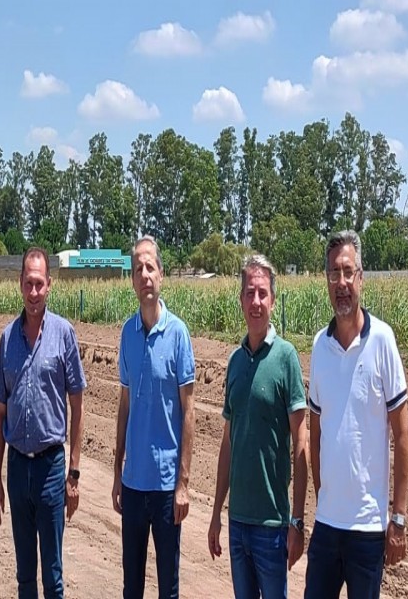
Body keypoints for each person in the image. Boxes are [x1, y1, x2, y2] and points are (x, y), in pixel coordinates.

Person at [305, 230, 408, 599]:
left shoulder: (383, 340)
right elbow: (314, 433)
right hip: (327, 526)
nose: (342, 283)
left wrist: (397, 518)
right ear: (326, 281)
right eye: (334, 273)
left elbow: (401, 435)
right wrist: (322, 496)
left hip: (368, 529)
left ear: (361, 277)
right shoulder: (319, 346)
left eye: (348, 272)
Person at [207, 254, 308, 598]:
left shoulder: (286, 358)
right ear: (240, 300)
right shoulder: (234, 362)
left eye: (263, 294)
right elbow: (228, 443)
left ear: (273, 301)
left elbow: (301, 444)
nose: (256, 302)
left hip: (273, 525)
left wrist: (296, 521)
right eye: (250, 293)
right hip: (238, 522)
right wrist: (217, 512)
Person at [0, 246, 87, 599]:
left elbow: (77, 405)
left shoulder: (64, 334)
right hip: (17, 470)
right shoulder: (7, 338)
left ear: (49, 285)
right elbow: (0, 413)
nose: (33, 293)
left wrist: (72, 475)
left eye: (39, 285)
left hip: (50, 470)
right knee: (24, 577)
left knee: (54, 578)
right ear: (20, 284)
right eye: (28, 284)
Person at [112, 235, 196, 599]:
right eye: (137, 269)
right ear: (131, 280)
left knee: (168, 588)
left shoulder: (178, 334)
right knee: (132, 585)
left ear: (161, 275)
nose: (144, 275)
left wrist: (183, 484)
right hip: (133, 485)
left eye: (150, 267)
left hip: (165, 490)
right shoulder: (127, 334)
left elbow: (189, 412)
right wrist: (117, 472)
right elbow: (124, 405)